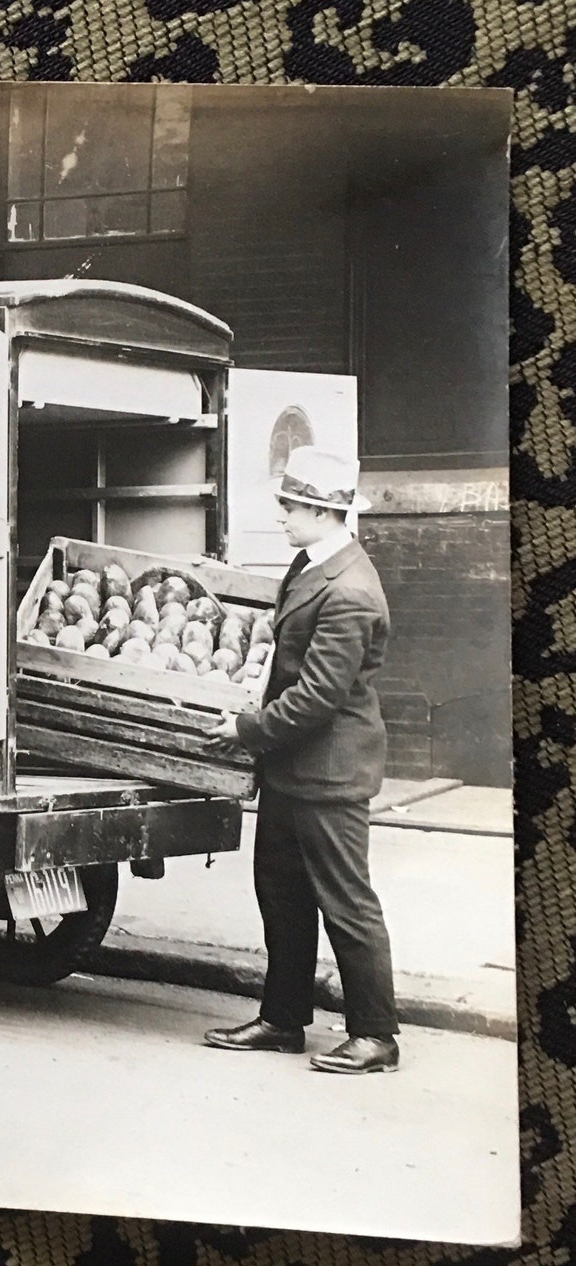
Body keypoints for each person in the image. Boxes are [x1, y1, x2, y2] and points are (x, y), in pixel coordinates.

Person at [202, 446, 400, 1074]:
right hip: (293, 770)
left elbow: (318, 697)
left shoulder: (351, 591)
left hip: (330, 773)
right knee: (282, 897)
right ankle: (283, 1019)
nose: (281, 517)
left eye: (288, 507)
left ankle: (376, 1035)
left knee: (347, 903)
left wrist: (245, 729)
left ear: (320, 510)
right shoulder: (310, 564)